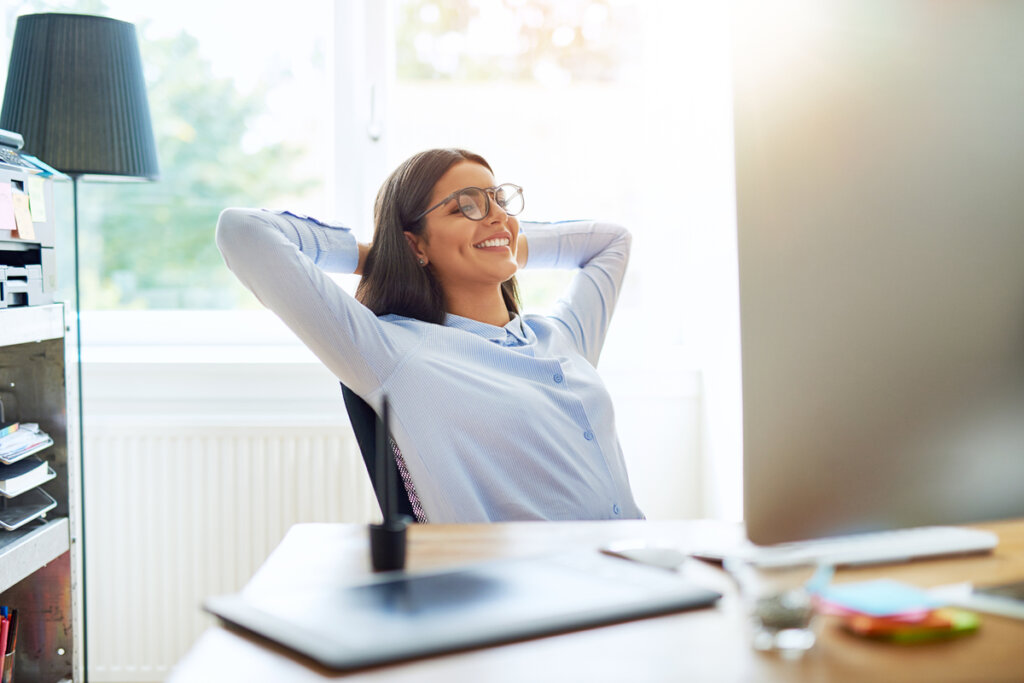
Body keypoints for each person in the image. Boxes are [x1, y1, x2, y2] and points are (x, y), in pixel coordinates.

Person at [216, 148, 643, 523]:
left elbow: (612, 241)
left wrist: (503, 240)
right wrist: (383, 256)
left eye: (499, 201)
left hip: (635, 573)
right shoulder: (395, 354)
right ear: (416, 246)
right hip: (531, 594)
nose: (497, 214)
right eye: (465, 208)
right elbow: (243, 232)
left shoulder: (562, 338)